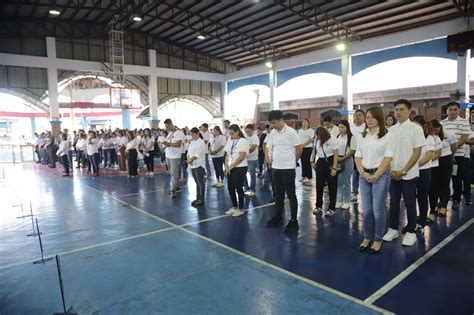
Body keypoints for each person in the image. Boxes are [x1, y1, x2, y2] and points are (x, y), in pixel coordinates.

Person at [383, 99, 425, 247]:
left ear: (409, 111)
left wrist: (404, 170)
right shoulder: (390, 130)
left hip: (409, 174)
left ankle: (411, 232)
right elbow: (386, 152)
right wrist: (390, 169)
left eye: (401, 109)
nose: (398, 112)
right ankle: (393, 229)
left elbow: (417, 152)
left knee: (410, 203)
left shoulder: (415, 129)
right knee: (393, 203)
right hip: (393, 174)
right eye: (396, 110)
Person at [355, 107, 393, 254]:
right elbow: (358, 156)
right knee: (366, 210)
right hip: (364, 175)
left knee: (378, 210)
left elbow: (388, 158)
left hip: (380, 176)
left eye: (372, 117)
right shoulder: (362, 136)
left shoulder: (387, 135)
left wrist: (376, 175)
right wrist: (362, 173)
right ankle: (366, 237)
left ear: (379, 119)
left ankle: (377, 239)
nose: (368, 119)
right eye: (367, 117)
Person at [265, 110, 303, 231]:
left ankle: (293, 220)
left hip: (288, 168)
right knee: (278, 194)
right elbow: (268, 146)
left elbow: (299, 148)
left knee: (291, 194)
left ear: (281, 120)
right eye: (271, 123)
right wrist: (269, 159)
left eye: (274, 122)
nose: (272, 125)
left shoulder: (291, 132)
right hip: (276, 168)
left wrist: (292, 162)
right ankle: (278, 216)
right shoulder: (273, 132)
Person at [440, 102, 471, 210]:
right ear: (446, 111)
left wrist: (452, 149)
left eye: (455, 109)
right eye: (450, 109)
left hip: (457, 156)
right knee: (443, 179)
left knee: (456, 179)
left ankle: (456, 200)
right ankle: (442, 201)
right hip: (443, 156)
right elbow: (439, 139)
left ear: (459, 111)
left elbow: (464, 138)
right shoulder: (441, 123)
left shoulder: (464, 122)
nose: (452, 112)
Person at [429, 120, 457, 218]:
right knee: (433, 186)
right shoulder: (429, 134)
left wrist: (450, 156)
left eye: (437, 129)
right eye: (433, 129)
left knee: (444, 184)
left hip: (446, 160)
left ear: (440, 127)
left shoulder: (448, 133)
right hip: (432, 161)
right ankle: (433, 209)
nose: (435, 131)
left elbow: (454, 146)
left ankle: (443, 206)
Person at [413, 115, 435, 232]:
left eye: (418, 124)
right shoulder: (411, 138)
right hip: (411, 172)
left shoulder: (429, 138)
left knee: (422, 197)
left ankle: (422, 222)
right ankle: (411, 223)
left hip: (423, 171)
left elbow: (429, 156)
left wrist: (415, 166)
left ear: (423, 126)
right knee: (411, 198)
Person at [312, 127, 339, 216]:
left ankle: (332, 207)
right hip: (320, 162)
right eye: (317, 136)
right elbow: (314, 150)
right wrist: (312, 161)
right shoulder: (317, 139)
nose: (318, 138)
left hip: (330, 162)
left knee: (332, 186)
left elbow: (335, 154)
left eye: (319, 136)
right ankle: (318, 206)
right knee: (319, 185)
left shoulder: (332, 139)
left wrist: (334, 168)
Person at [224, 124, 249, 217]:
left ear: (237, 132)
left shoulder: (243, 141)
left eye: (232, 133)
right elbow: (227, 154)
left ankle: (241, 208)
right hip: (231, 167)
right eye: (229, 133)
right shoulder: (230, 140)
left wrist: (231, 167)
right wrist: (226, 166)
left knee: (239, 188)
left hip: (240, 167)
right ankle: (234, 206)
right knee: (230, 187)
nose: (231, 135)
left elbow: (241, 157)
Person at [336, 120, 356, 209]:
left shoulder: (351, 137)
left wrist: (342, 158)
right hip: (338, 160)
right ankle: (339, 200)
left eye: (342, 127)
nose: (340, 129)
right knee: (339, 182)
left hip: (347, 160)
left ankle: (347, 201)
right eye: (339, 127)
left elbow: (352, 151)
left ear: (347, 128)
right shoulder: (337, 137)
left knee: (346, 182)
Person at [162, 119, 185, 198]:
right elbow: (168, 142)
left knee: (174, 173)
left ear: (171, 124)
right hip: (168, 155)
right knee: (171, 173)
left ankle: (173, 190)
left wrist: (168, 144)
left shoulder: (179, 133)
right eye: (165, 126)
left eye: (167, 126)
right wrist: (164, 145)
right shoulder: (170, 133)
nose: (166, 128)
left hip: (175, 156)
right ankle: (177, 187)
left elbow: (178, 144)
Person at [187, 127, 207, 206]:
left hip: (199, 165)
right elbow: (188, 152)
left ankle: (201, 199)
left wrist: (190, 159)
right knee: (197, 183)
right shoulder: (192, 142)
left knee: (200, 183)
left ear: (198, 133)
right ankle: (198, 198)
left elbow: (197, 154)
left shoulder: (201, 142)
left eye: (193, 134)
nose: (192, 136)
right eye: (191, 135)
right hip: (193, 165)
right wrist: (188, 159)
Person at [351, 109, 366, 201]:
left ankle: (366, 192)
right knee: (355, 174)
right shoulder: (351, 128)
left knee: (365, 173)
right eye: (356, 115)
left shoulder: (366, 127)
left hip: (366, 154)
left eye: (360, 115)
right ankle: (354, 192)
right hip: (354, 154)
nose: (357, 117)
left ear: (364, 117)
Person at [243, 124, 259, 197]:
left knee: (252, 174)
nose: (247, 133)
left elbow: (253, 148)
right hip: (244, 158)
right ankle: (246, 187)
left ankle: (252, 189)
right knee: (243, 173)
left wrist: (244, 153)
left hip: (252, 159)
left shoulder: (255, 137)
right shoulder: (244, 136)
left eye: (249, 131)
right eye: (246, 131)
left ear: (253, 130)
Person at [298, 119, 315, 185]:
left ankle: (309, 177)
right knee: (302, 162)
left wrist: (303, 144)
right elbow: (298, 139)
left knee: (307, 162)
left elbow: (311, 139)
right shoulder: (300, 131)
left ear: (308, 123)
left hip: (308, 148)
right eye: (303, 122)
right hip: (301, 148)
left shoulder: (310, 130)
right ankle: (303, 176)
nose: (304, 123)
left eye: (306, 122)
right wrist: (300, 146)